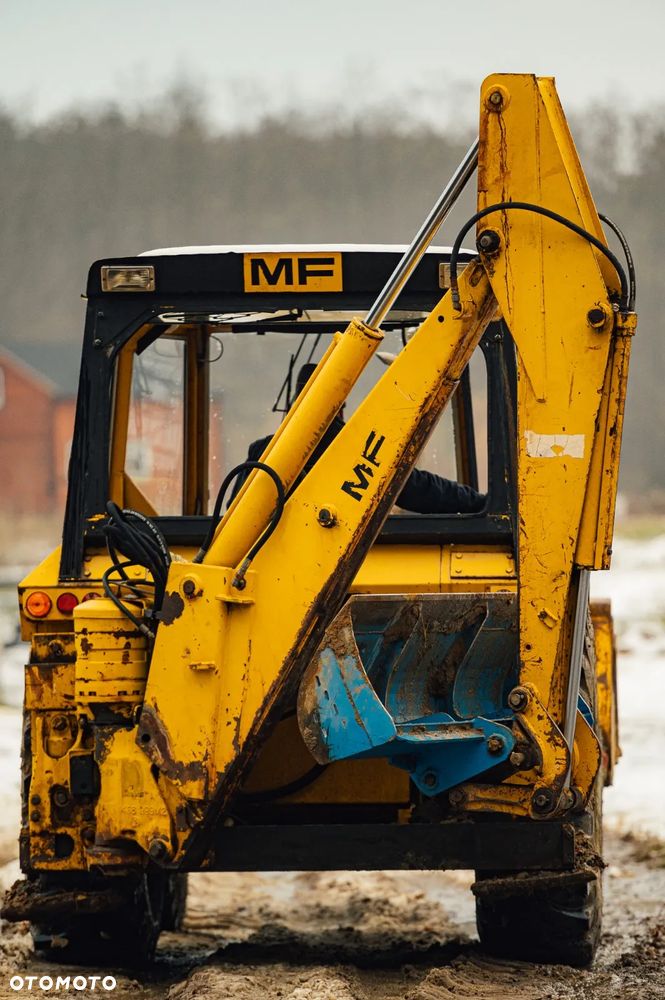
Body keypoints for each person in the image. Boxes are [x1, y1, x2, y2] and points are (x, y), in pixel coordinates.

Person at [231, 363, 486, 513]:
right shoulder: (361, 451)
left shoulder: (262, 453)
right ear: (340, 407)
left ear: (293, 407)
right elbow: (419, 489)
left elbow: (237, 515)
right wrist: (482, 503)